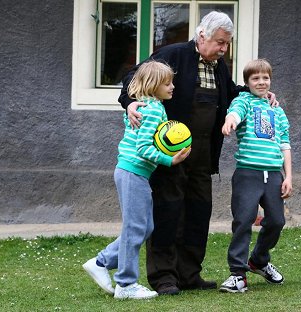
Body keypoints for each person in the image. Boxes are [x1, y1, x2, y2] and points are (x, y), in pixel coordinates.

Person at [118, 11, 278, 296]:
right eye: (220, 42)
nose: (224, 49)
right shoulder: (174, 54)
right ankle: (164, 277)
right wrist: (131, 102)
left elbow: (230, 93)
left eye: (227, 44)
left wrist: (259, 95)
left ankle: (189, 274)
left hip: (203, 156)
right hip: (169, 156)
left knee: (198, 212)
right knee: (168, 213)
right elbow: (134, 76)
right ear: (202, 36)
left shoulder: (218, 66)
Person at [82, 61, 190, 299]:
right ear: (153, 85)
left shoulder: (151, 106)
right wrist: (170, 160)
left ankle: (101, 262)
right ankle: (126, 284)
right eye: (168, 83)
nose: (173, 86)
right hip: (133, 172)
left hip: (135, 173)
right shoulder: (151, 110)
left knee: (145, 227)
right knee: (135, 227)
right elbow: (143, 148)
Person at [219, 59, 292, 293]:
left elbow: (285, 144)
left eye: (265, 78)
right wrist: (230, 120)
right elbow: (235, 113)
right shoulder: (243, 102)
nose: (261, 82)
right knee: (243, 220)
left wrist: (288, 177)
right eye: (255, 78)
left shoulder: (276, 109)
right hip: (248, 173)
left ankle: (259, 260)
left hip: (273, 174)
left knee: (277, 221)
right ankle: (238, 274)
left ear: (270, 80)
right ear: (247, 82)